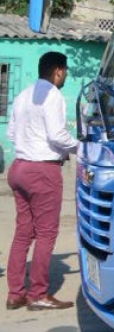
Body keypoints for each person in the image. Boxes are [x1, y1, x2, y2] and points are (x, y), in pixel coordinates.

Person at [5, 51, 79, 311]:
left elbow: (12, 133)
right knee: (46, 233)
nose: (65, 76)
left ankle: (15, 294)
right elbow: (58, 135)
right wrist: (81, 147)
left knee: (23, 233)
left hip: (19, 167)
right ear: (58, 71)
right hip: (42, 170)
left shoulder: (23, 95)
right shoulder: (53, 95)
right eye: (65, 71)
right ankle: (38, 294)